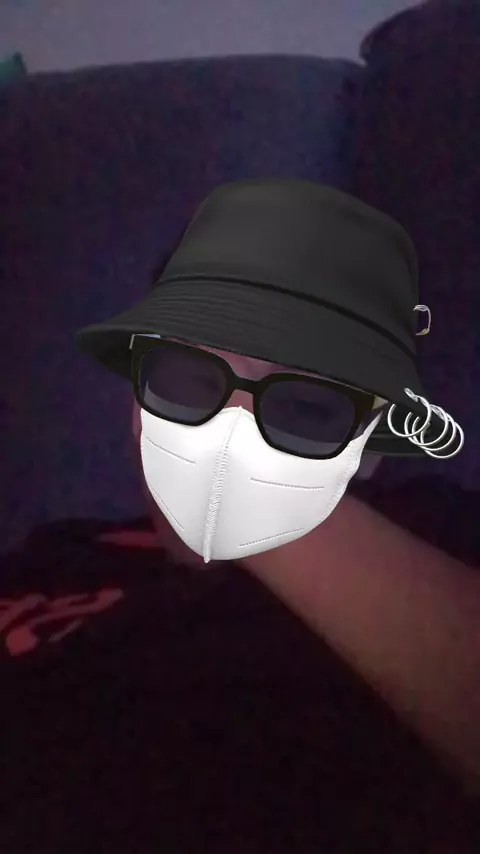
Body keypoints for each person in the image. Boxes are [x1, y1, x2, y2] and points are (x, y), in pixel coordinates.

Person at [2, 180, 478, 852]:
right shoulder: (62, 553)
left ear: (372, 450)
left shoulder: (435, 535)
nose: (228, 423)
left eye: (306, 404)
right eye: (188, 376)